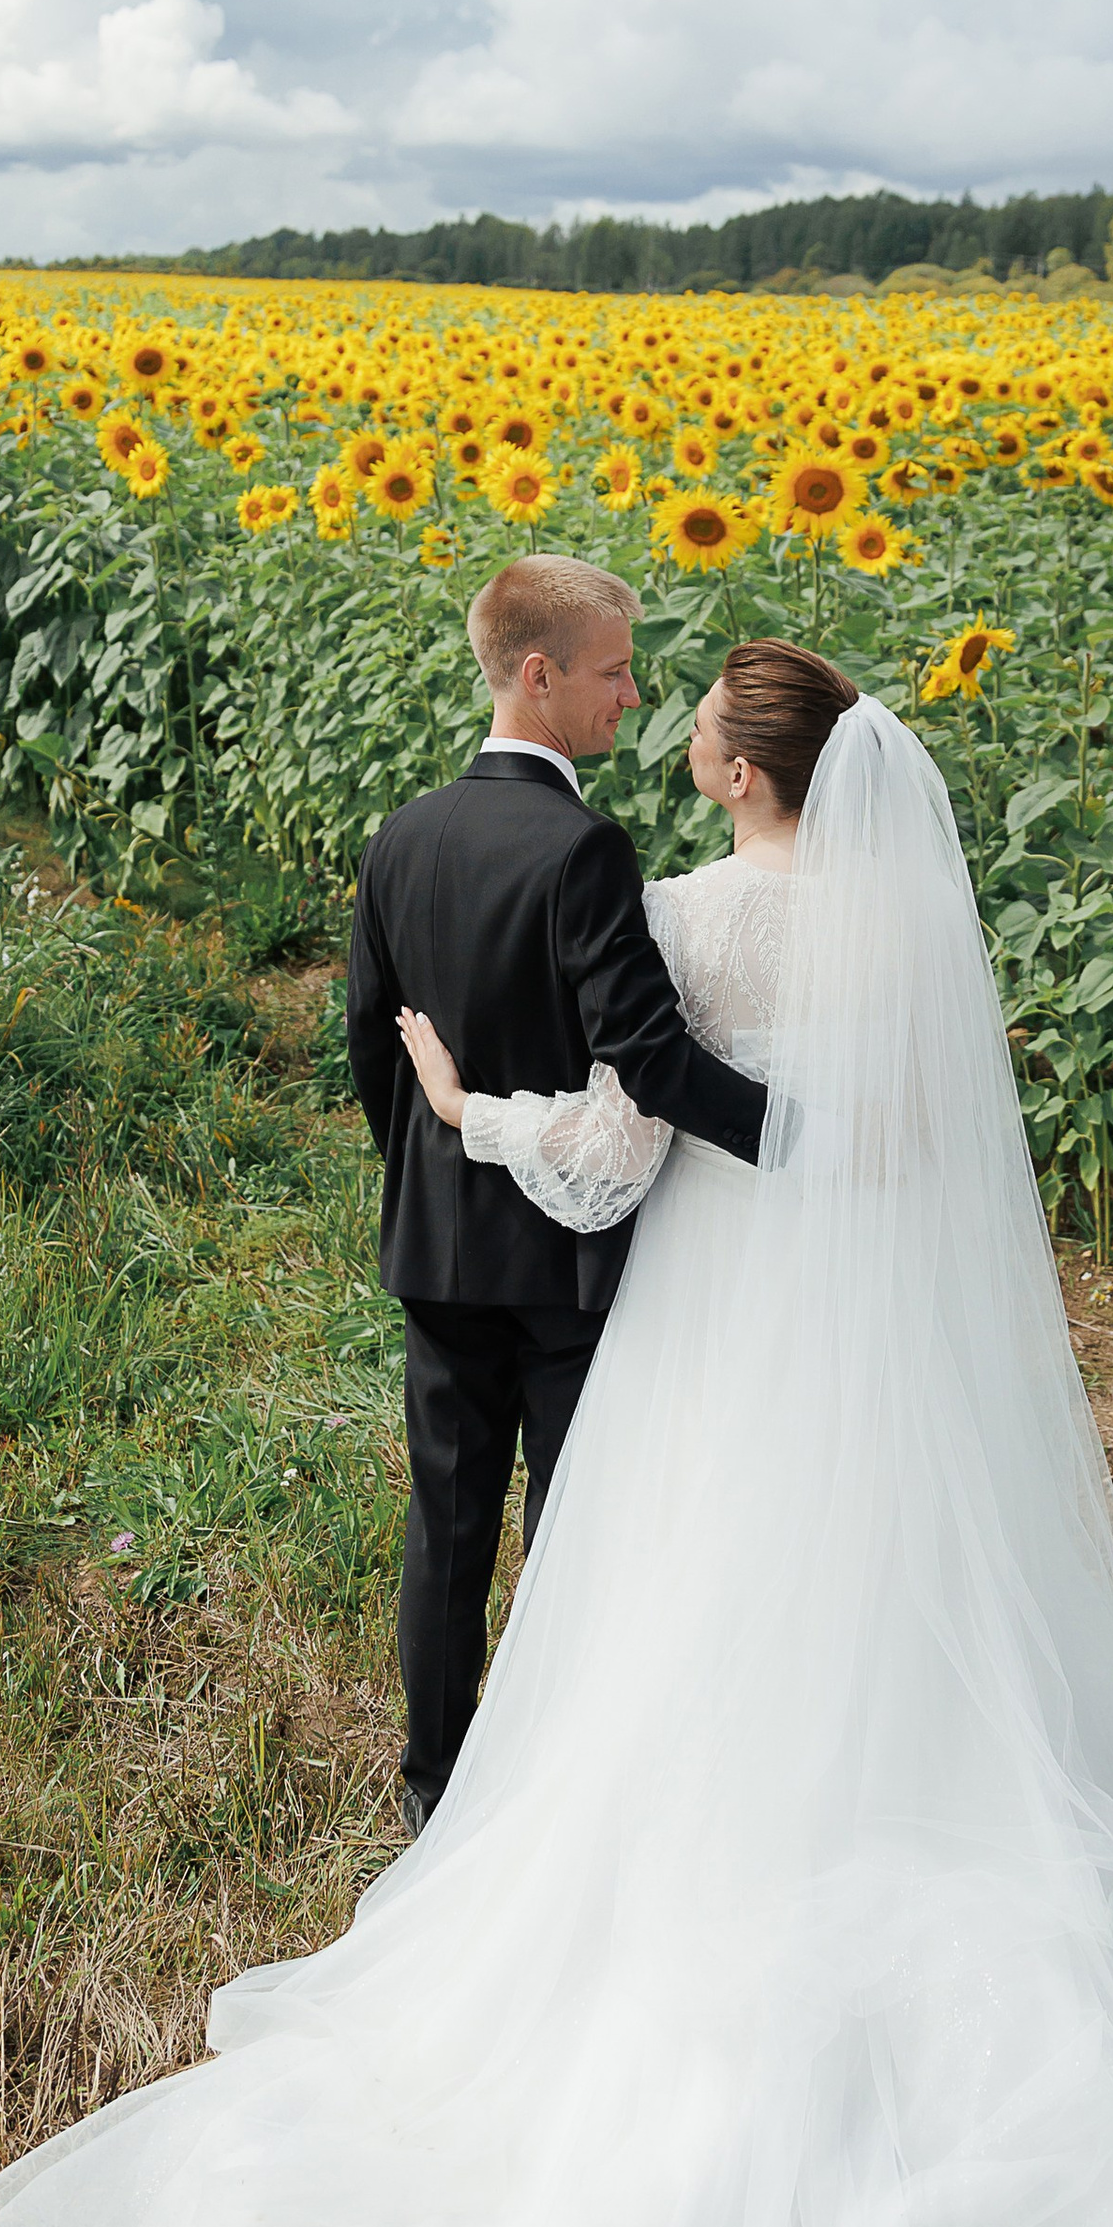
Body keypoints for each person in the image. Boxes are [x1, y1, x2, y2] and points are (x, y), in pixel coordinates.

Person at [0, 639, 1113, 2227]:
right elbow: (919, 1155)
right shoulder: (903, 929)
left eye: (700, 716)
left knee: (681, 1599)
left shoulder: (681, 914)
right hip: (862, 1337)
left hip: (712, 1317)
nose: (673, 726)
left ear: (744, 774)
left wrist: (456, 1096)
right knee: (875, 1583)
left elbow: (615, 1153)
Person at [339, 553, 771, 1832]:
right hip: (565, 1261)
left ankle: (434, 1792)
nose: (631, 696)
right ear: (539, 677)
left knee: (446, 1522)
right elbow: (646, 1060)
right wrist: (803, 1138)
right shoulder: (582, 850)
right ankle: (558, 1795)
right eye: (614, 671)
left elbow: (376, 1048)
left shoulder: (402, 836)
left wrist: (432, 1177)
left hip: (440, 1244)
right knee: (573, 1528)